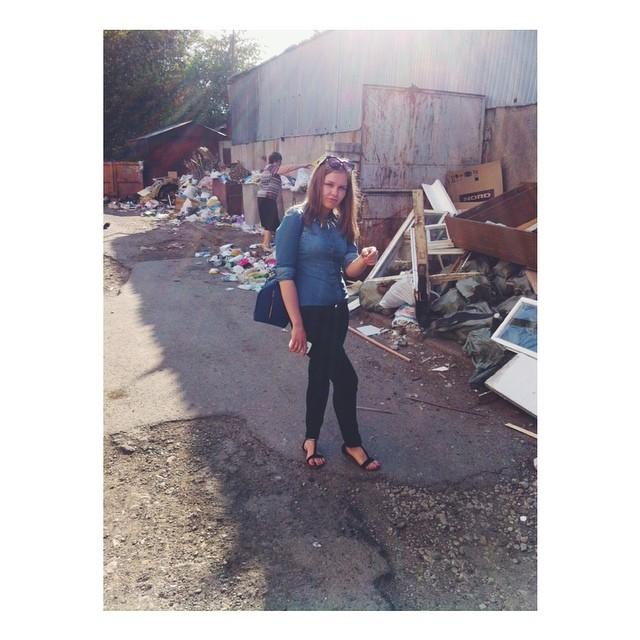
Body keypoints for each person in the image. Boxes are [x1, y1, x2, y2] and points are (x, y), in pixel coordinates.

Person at [275, 155, 382, 471]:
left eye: (342, 188)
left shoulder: (339, 223)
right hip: (310, 315)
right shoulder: (295, 219)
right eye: (329, 184)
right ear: (317, 183)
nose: (335, 192)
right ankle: (352, 443)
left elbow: (349, 269)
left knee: (321, 374)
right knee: (347, 379)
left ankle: (311, 438)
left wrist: (365, 259)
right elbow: (285, 274)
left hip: (338, 312)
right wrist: (297, 325)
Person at [257, 152, 310, 252]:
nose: (281, 164)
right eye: (280, 162)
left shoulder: (269, 169)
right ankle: (266, 244)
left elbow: (285, 173)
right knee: (269, 221)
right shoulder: (271, 168)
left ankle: (267, 242)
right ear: (277, 161)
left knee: (270, 220)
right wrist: (302, 165)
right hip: (267, 197)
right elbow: (288, 168)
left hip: (265, 197)